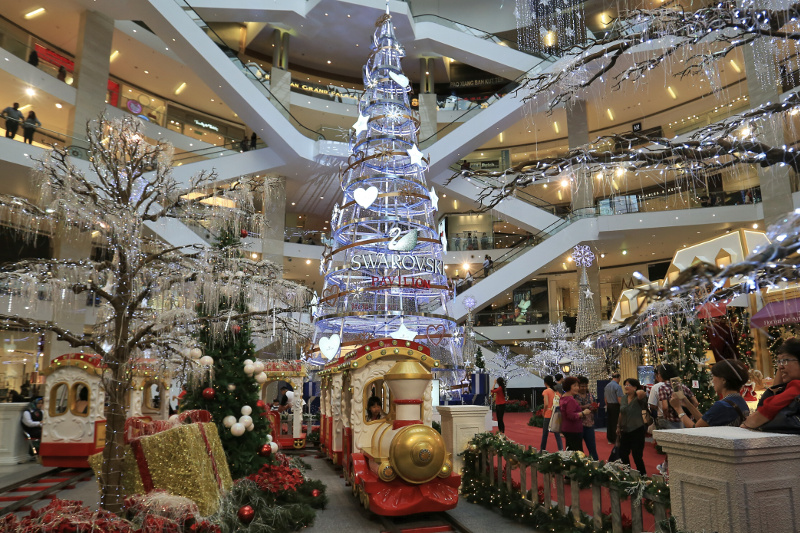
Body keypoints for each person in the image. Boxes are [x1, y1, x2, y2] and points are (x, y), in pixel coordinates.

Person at [670, 359, 749, 428]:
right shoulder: (739, 400)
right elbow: (705, 422)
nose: (712, 380)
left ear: (724, 380)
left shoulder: (723, 405)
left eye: (714, 376)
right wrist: (687, 403)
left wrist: (678, 409)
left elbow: (696, 429)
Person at [741, 338, 800, 430]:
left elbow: (766, 411)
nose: (780, 367)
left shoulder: (797, 386)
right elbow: (775, 391)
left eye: (785, 360)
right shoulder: (790, 386)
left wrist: (748, 423)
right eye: (779, 361)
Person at [617, 379, 648, 474]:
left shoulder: (639, 397)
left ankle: (643, 476)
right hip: (625, 430)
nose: (626, 387)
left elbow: (641, 392)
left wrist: (636, 389)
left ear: (635, 387)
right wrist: (618, 426)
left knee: (637, 456)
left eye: (629, 385)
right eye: (625, 385)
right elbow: (621, 413)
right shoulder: (624, 398)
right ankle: (627, 474)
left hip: (637, 429)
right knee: (623, 454)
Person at [560, 376, 591, 452]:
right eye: (575, 386)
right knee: (577, 454)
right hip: (573, 430)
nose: (577, 388)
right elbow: (571, 415)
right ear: (568, 386)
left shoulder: (563, 398)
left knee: (570, 451)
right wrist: (584, 413)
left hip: (567, 428)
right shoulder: (570, 400)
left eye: (577, 386)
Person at [576, 376, 599, 460]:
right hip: (578, 425)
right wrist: (586, 406)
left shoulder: (590, 395)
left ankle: (595, 466)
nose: (584, 388)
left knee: (592, 448)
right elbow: (575, 408)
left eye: (585, 386)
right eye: (582, 386)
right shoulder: (574, 396)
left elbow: (594, 407)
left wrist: (595, 407)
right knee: (578, 450)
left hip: (589, 425)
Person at [540, 375, 563, 451]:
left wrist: (544, 411)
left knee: (545, 434)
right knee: (557, 434)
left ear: (545, 383)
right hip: (556, 414)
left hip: (548, 413)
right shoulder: (556, 392)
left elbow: (546, 403)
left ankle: (542, 450)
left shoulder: (546, 391)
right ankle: (561, 450)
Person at [604, 372, 623, 444]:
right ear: (619, 378)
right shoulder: (618, 387)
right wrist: (622, 407)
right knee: (616, 422)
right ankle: (616, 438)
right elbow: (619, 398)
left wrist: (608, 405)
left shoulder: (607, 386)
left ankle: (610, 438)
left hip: (609, 405)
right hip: (616, 406)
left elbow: (605, 398)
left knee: (610, 423)